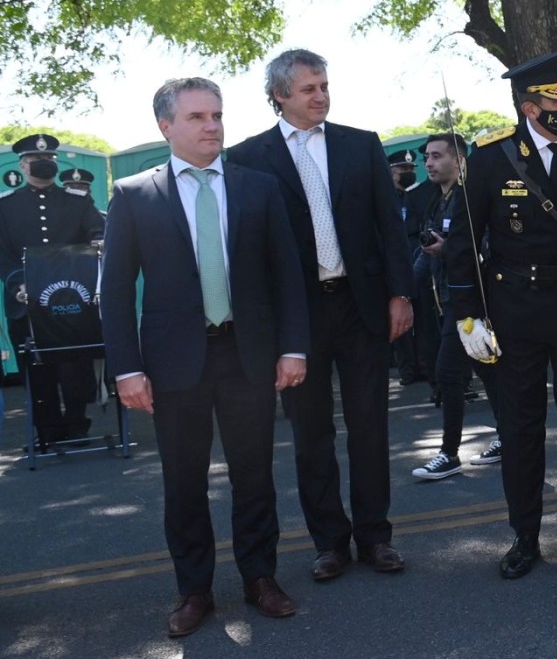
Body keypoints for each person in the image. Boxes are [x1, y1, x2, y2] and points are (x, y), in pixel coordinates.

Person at [101, 77, 309, 637]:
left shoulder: (257, 188)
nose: (212, 125)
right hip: (173, 364)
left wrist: (293, 347)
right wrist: (126, 368)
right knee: (184, 481)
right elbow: (115, 290)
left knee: (255, 475)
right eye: (196, 117)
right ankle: (194, 590)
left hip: (248, 355)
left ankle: (260, 578)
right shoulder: (134, 194)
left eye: (216, 115)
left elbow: (286, 275)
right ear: (165, 126)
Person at [225, 48, 414, 581]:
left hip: (361, 307)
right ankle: (329, 541)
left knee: (370, 427)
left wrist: (402, 293)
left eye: (325, 85)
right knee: (311, 435)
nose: (321, 96)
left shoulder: (361, 144)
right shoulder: (248, 158)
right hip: (297, 319)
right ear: (280, 96)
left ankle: (376, 537)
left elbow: (388, 227)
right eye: (309, 89)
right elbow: (249, 249)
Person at [443, 49, 557, 579]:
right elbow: (465, 242)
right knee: (520, 428)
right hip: (514, 310)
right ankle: (525, 535)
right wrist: (468, 316)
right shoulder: (491, 158)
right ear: (530, 107)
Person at [0, 133, 105, 448]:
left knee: (75, 365)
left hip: (71, 298)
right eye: (36, 160)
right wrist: (19, 283)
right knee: (35, 367)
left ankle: (76, 426)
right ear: (23, 164)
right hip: (24, 298)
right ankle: (46, 430)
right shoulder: (5, 206)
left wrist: (99, 240)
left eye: (49, 160)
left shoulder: (77, 200)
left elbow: (95, 231)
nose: (44, 164)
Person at [409, 132, 503, 481]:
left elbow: (485, 253)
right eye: (427, 158)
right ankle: (509, 436)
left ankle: (448, 454)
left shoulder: (470, 200)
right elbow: (425, 255)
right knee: (489, 373)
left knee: (448, 375)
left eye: (436, 156)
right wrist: (401, 292)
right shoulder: (437, 201)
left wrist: (448, 248)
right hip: (446, 301)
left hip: (470, 305)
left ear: (458, 161)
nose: (428, 163)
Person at [387, 149, 431, 388]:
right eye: (402, 170)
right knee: (400, 319)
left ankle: (425, 365)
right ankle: (407, 369)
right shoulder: (386, 198)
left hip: (420, 260)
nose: (408, 173)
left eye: (411, 170)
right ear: (391, 172)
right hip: (397, 265)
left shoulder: (422, 195)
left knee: (424, 317)